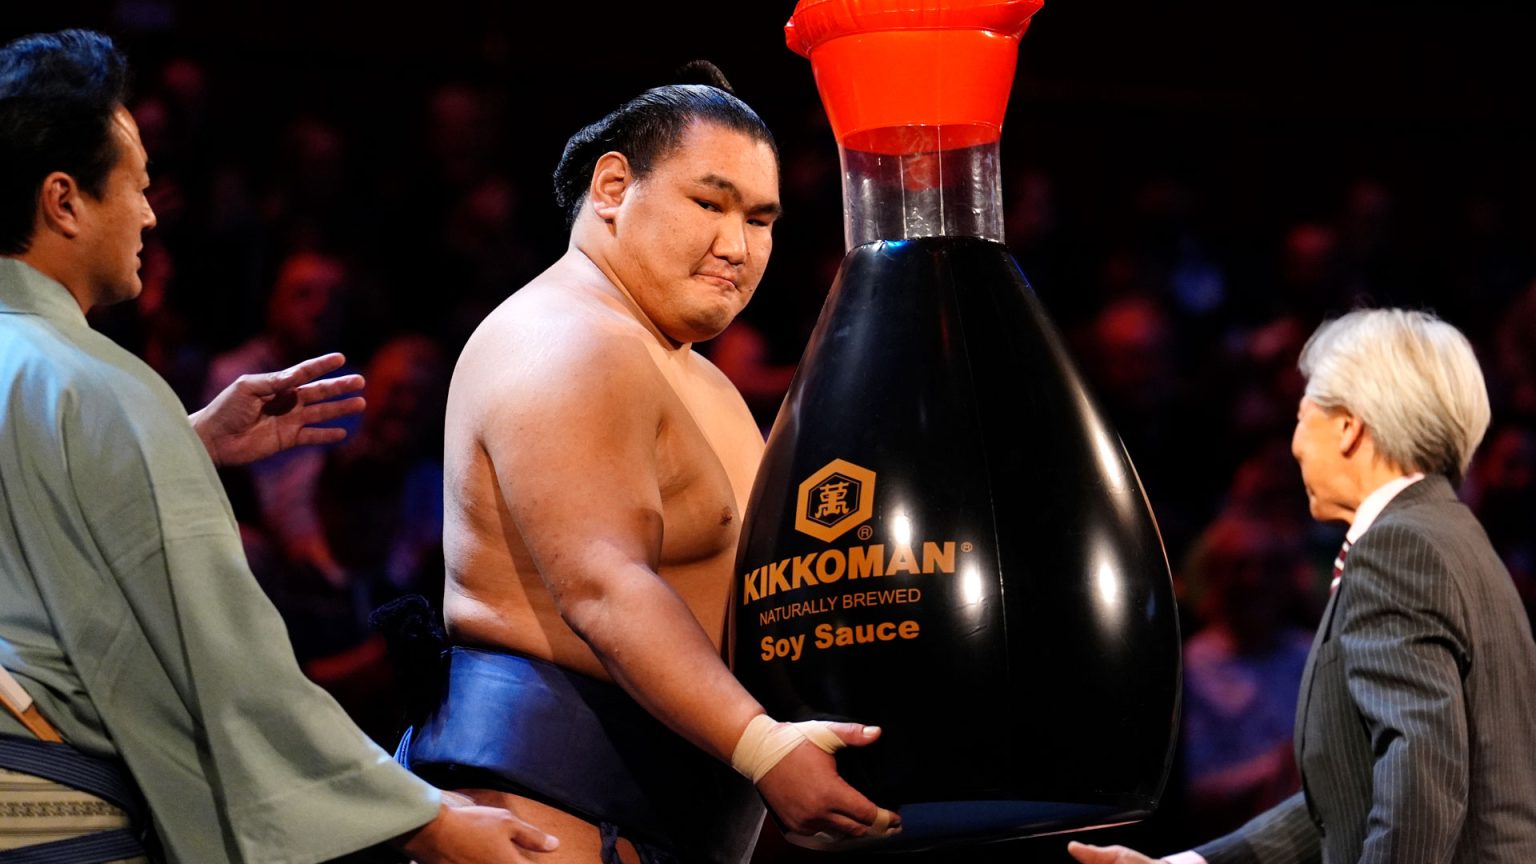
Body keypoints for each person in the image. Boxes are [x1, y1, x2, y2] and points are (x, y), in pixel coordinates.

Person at [0, 29, 555, 862]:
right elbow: (223, 659)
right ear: (64, 201)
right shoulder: (105, 388)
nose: (151, 213)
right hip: (52, 818)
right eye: (138, 188)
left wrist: (175, 446)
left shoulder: (58, 381)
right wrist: (423, 818)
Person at [394, 65, 896, 864]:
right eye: (709, 203)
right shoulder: (568, 340)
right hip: (546, 819)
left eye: (760, 220)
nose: (736, 247)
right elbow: (603, 583)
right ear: (613, 186)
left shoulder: (701, 380)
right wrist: (764, 748)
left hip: (680, 821)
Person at [1068, 308, 1536, 864]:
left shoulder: (1400, 548)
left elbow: (1421, 778)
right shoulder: (1452, 536)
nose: (1292, 446)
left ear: (1348, 428)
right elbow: (1351, 798)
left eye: (1301, 415)